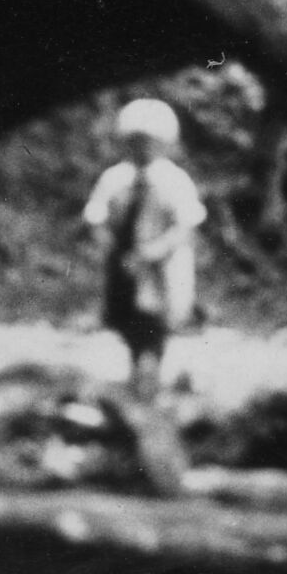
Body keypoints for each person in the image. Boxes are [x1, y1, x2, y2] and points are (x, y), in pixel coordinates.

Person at [84, 97, 207, 400]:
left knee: (157, 320)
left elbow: (187, 223)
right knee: (128, 318)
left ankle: (152, 372)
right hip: (124, 262)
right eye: (135, 141)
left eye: (150, 141)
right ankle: (138, 368)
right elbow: (95, 216)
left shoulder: (173, 180)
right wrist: (107, 243)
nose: (142, 148)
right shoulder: (115, 178)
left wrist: (157, 249)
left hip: (162, 263)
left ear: (166, 143)